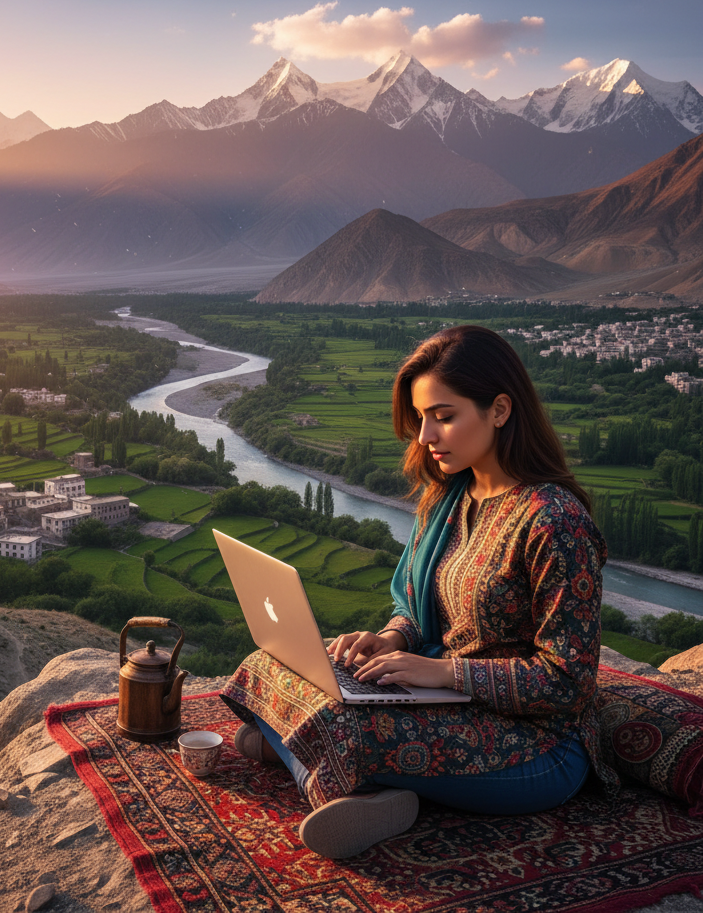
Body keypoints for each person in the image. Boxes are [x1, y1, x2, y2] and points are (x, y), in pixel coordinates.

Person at [220, 325, 615, 859]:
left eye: (443, 416)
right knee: (271, 664)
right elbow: (416, 606)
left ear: (499, 409)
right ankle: (334, 768)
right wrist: (390, 637)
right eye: (422, 418)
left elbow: (569, 683)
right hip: (445, 700)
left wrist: (446, 672)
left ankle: (338, 776)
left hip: (538, 743)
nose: (426, 436)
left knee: (340, 724)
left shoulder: (554, 522)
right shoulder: (452, 495)